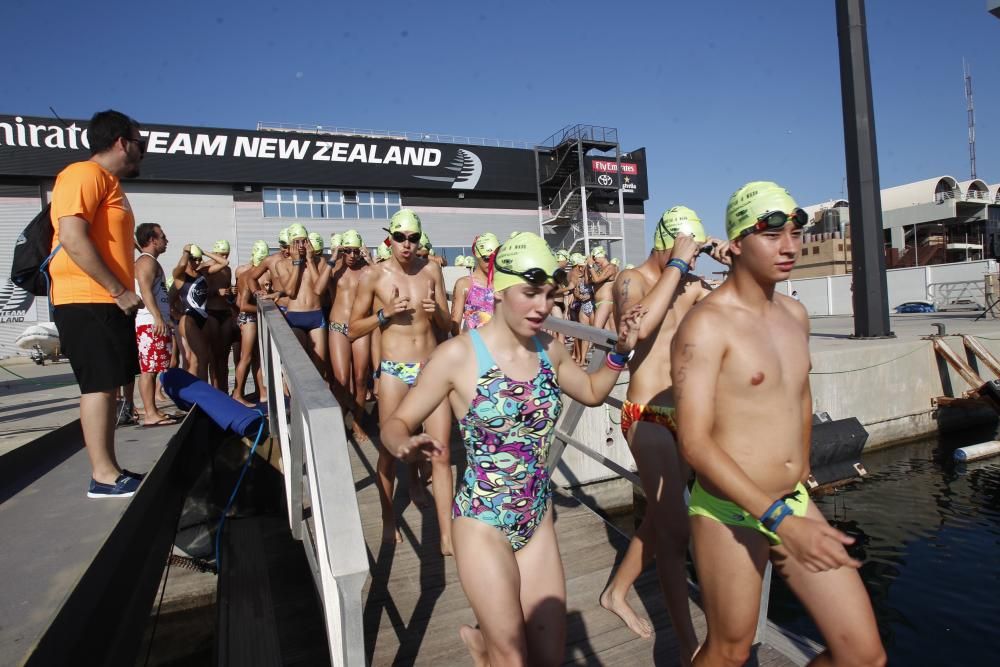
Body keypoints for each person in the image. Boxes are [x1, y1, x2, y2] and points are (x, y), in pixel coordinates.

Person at [380, 232, 646, 666]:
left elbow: (594, 392)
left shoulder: (550, 350)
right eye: (530, 292)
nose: (543, 306)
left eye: (548, 293)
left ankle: (484, 644)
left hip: (536, 518)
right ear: (501, 290)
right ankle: (490, 648)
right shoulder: (457, 356)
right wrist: (403, 444)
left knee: (550, 657)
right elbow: (396, 422)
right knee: (513, 658)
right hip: (482, 522)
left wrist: (619, 353)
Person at [672, 182, 885, 667]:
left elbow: (800, 392)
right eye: (772, 235)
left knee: (863, 656)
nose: (789, 246)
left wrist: (802, 466)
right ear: (738, 242)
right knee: (729, 650)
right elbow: (695, 443)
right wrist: (777, 518)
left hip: (792, 499)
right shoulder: (706, 326)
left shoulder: (795, 314)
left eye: (794, 232)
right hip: (730, 510)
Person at [599, 206, 719, 660]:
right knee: (675, 531)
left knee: (658, 520)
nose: (695, 258)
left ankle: (615, 591)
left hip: (684, 416)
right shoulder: (631, 278)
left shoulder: (688, 281)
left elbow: (740, 311)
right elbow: (636, 332)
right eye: (689, 247)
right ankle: (690, 647)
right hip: (645, 414)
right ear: (666, 242)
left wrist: (733, 261)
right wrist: (679, 268)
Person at [49, 109, 145, 498]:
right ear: (121, 142)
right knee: (99, 386)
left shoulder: (107, 182)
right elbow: (72, 237)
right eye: (141, 143)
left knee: (108, 386)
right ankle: (102, 475)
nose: (143, 151)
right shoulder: (82, 174)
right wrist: (118, 290)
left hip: (106, 302)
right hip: (87, 298)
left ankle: (110, 469)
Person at [349, 210, 454, 551]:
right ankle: (388, 516)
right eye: (400, 237)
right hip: (395, 370)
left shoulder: (432, 269)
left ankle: (446, 535)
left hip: (431, 368)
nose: (406, 245)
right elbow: (352, 330)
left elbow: (449, 323)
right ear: (389, 238)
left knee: (439, 453)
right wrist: (385, 314)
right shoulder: (373, 276)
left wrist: (435, 310)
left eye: (413, 238)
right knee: (390, 453)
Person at [251, 223, 330, 373]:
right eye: (297, 242)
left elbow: (319, 289)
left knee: (320, 367)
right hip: (295, 318)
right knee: (298, 367)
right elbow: (291, 291)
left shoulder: (320, 262)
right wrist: (296, 263)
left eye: (304, 241)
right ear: (290, 244)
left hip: (316, 317)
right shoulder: (282, 264)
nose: (301, 245)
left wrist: (311, 261)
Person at [327, 229, 374, 439]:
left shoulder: (368, 270)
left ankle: (357, 422)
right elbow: (318, 288)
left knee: (361, 378)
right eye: (348, 251)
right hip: (338, 326)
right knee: (342, 380)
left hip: (361, 326)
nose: (353, 256)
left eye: (356, 251)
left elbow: (388, 279)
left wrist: (371, 260)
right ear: (342, 250)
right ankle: (337, 421)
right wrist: (333, 257)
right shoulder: (334, 268)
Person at [134, 222, 178, 427]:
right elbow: (145, 291)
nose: (166, 240)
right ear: (152, 240)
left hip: (156, 321)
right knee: (149, 370)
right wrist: (157, 317)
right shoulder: (146, 262)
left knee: (155, 367)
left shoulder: (150, 261)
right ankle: (150, 412)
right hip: (149, 322)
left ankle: (153, 409)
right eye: (163, 236)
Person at [171, 243, 229, 380]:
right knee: (201, 357)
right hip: (189, 319)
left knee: (200, 359)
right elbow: (180, 267)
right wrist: (185, 252)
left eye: (198, 259)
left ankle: (201, 393)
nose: (197, 262)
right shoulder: (180, 276)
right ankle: (199, 394)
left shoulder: (202, 272)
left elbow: (224, 262)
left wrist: (204, 252)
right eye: (193, 259)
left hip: (203, 318)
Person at [232, 240, 272, 406]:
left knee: (257, 357)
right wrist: (263, 307)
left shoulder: (249, 273)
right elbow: (243, 306)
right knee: (246, 357)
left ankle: (262, 392)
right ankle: (237, 394)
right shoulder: (248, 276)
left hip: (251, 318)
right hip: (248, 319)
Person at [449, 232, 499, 335]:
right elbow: (455, 327)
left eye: (494, 259)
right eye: (486, 259)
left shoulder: (502, 283)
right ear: (477, 255)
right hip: (474, 346)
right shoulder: (464, 284)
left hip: (499, 345)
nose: (491, 263)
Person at [205, 239, 235, 392]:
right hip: (212, 312)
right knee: (214, 355)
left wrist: (231, 293)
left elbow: (227, 291)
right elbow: (200, 292)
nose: (225, 257)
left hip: (225, 312)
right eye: (222, 254)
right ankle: (215, 389)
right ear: (215, 253)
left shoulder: (227, 270)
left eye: (227, 253)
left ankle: (224, 390)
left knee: (224, 355)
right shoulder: (206, 267)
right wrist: (217, 292)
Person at [588, 245, 618, 334]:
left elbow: (597, 280)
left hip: (606, 302)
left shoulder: (610, 267)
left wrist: (591, 266)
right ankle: (613, 348)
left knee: (596, 331)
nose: (595, 262)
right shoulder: (599, 270)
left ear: (601, 256)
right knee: (609, 334)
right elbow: (588, 281)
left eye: (595, 259)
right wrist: (588, 267)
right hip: (600, 303)